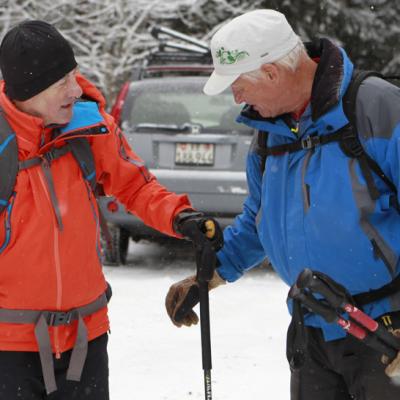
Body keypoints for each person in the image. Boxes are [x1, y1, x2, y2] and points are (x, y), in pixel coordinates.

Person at [165, 9, 400, 400]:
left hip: (385, 336)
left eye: (238, 85)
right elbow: (261, 220)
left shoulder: (377, 110)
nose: (236, 97)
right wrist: (209, 276)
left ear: (272, 73)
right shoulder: (269, 134)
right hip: (311, 333)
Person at [0, 20, 223, 400]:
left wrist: (178, 216)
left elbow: (135, 185)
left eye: (75, 75)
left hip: (86, 339)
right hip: (9, 349)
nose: (76, 89)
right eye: (61, 84)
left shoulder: (90, 130)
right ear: (29, 91)